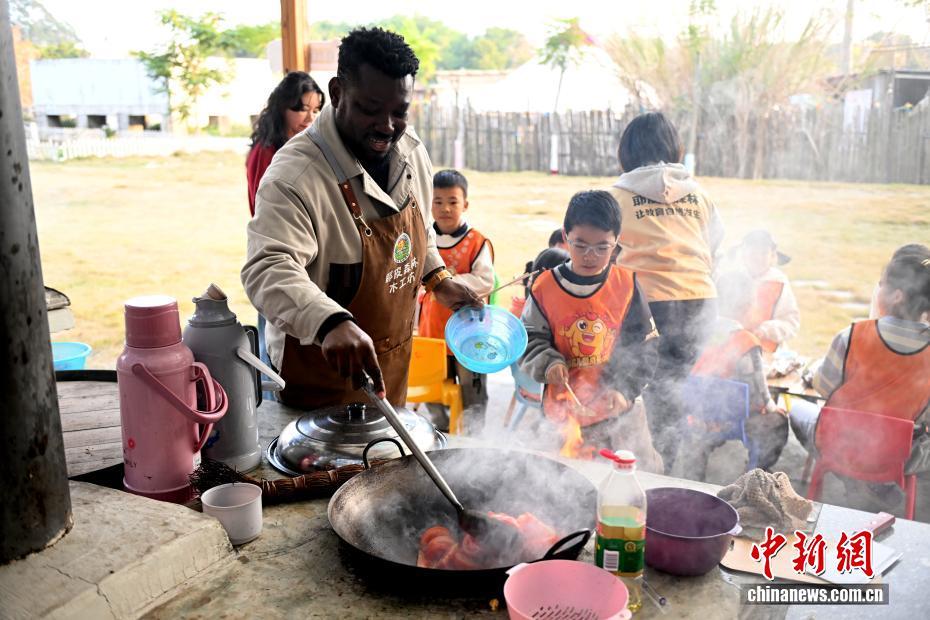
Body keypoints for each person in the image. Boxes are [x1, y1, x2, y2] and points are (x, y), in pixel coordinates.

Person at [241, 28, 481, 409]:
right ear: (336, 93)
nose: (387, 126)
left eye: (399, 111)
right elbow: (268, 268)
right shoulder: (295, 175)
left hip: (393, 369)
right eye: (370, 109)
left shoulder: (410, 150)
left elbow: (417, 237)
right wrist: (329, 322)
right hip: (320, 386)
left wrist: (438, 279)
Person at [608, 111, 724, 470]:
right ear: (674, 148)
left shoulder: (616, 197)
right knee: (671, 387)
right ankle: (671, 461)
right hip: (700, 302)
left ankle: (642, 467)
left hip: (647, 304)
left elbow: (603, 257)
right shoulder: (699, 195)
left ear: (626, 152)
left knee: (629, 383)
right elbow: (714, 247)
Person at [520, 190, 661, 470]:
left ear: (617, 242)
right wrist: (548, 364)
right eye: (580, 245)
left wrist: (624, 389)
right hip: (562, 412)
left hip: (617, 412)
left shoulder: (627, 285)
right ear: (565, 236)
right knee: (561, 482)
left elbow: (645, 348)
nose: (590, 256)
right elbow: (528, 339)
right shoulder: (545, 287)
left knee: (629, 480)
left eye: (602, 247)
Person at [789, 245, 930, 508]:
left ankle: (857, 481)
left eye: (882, 285)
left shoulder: (852, 335)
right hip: (900, 456)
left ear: (896, 295)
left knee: (796, 409)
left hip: (840, 444)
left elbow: (824, 386)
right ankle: (875, 485)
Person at [683, 270, 789, 480]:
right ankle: (755, 475)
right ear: (750, 305)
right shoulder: (746, 341)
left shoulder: (694, 332)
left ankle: (695, 468)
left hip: (693, 414)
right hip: (729, 420)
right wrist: (774, 407)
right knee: (777, 420)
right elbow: (760, 399)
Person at [418, 170, 494, 431]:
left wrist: (446, 281)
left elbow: (485, 281)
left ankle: (475, 442)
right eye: (438, 201)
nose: (445, 208)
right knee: (433, 390)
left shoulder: (477, 242)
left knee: (472, 394)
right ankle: (440, 433)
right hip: (432, 332)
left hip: (469, 334)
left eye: (453, 201)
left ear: (465, 204)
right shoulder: (422, 238)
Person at [246, 71, 325, 217]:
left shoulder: (302, 145)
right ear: (283, 107)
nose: (311, 118)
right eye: (304, 109)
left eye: (315, 110)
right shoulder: (265, 151)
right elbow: (264, 208)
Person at [733, 230, 800, 353]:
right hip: (732, 350)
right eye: (753, 252)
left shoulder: (779, 282)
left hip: (767, 353)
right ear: (743, 254)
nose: (758, 258)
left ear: (773, 256)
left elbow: (791, 323)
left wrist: (766, 330)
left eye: (764, 253)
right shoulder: (732, 278)